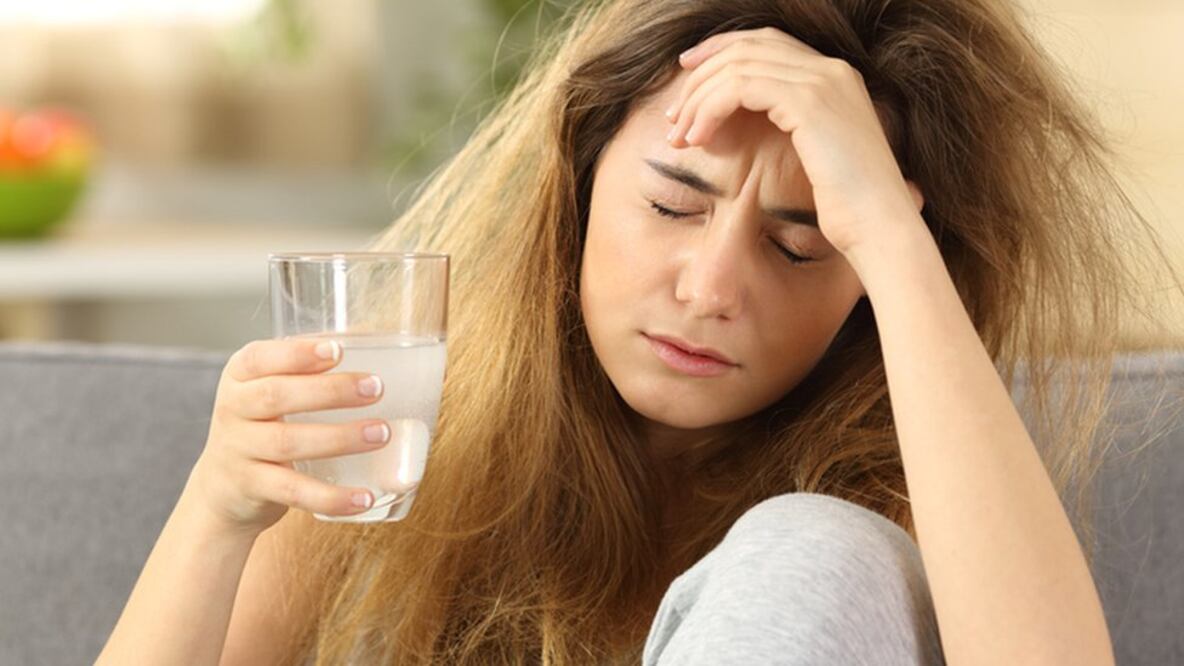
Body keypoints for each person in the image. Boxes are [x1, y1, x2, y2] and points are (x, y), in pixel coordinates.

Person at [98, 0, 1181, 664]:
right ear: (576, 184)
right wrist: (219, 507)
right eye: (670, 204)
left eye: (801, 246)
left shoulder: (915, 511)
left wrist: (889, 237)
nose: (711, 287)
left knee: (821, 549)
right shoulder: (394, 438)